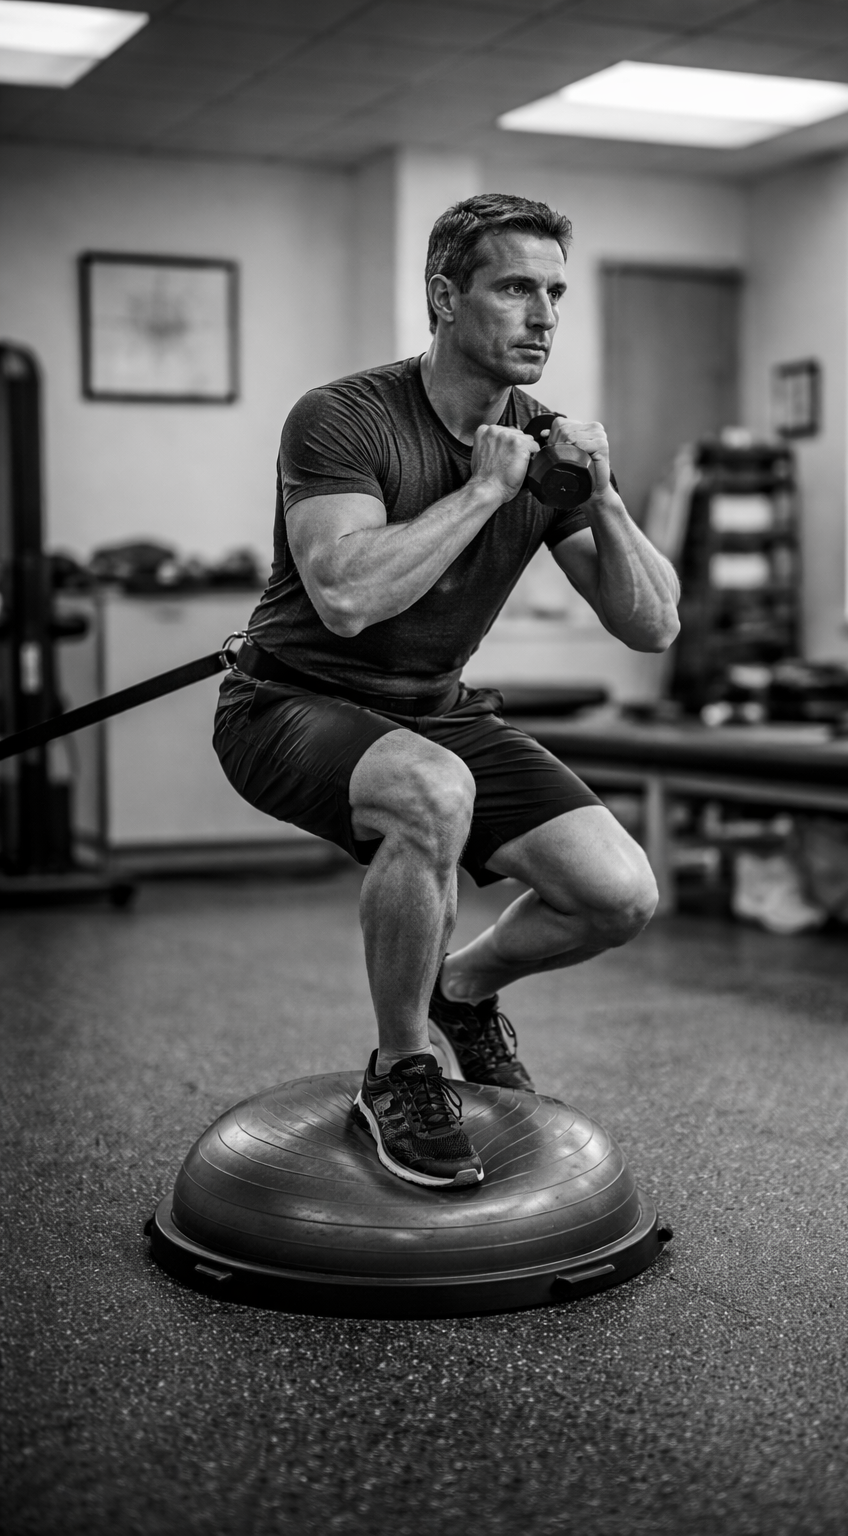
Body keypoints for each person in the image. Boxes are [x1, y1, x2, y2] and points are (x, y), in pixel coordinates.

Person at [214, 193, 680, 1190]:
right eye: (515, 288)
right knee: (432, 792)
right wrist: (479, 491)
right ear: (444, 295)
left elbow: (652, 626)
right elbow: (343, 596)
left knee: (619, 894)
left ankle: (462, 988)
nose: (545, 316)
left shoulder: (545, 445)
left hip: (435, 710)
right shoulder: (342, 416)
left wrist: (603, 495)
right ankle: (400, 1065)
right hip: (286, 702)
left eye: (555, 292)